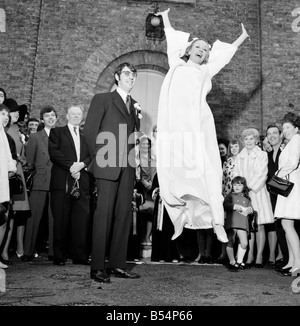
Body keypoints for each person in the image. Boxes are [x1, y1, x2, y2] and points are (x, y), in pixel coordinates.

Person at [155, 8, 249, 244]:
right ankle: (179, 218)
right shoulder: (175, 63)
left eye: (206, 49)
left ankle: (217, 222)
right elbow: (171, 37)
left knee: (208, 172)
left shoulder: (206, 70)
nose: (203, 50)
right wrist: (165, 17)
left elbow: (224, 56)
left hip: (199, 127)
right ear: (189, 50)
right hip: (178, 130)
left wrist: (241, 38)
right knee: (174, 175)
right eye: (199, 46)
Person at [83, 62, 141, 283]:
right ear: (117, 77)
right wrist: (101, 158)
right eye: (127, 73)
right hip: (107, 165)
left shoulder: (135, 105)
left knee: (123, 217)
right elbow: (90, 133)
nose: (131, 77)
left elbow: (133, 137)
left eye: (134, 74)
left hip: (127, 168)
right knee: (103, 216)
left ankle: (118, 264)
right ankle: (98, 267)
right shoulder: (102, 99)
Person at [48, 105, 91, 266]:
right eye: (72, 114)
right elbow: (54, 153)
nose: (75, 116)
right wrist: (72, 166)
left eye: (78, 114)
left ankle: (79, 255)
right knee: (60, 219)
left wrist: (81, 166)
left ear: (82, 117)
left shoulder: (86, 135)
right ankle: (59, 255)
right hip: (62, 181)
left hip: (82, 180)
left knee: (81, 220)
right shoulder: (57, 132)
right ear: (67, 116)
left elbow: (91, 155)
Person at [233, 128, 274, 268]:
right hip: (244, 195)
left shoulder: (262, 155)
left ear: (256, 140)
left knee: (260, 225)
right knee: (248, 226)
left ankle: (259, 256)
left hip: (258, 193)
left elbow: (262, 173)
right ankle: (249, 255)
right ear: (243, 141)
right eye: (246, 139)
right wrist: (242, 189)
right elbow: (236, 174)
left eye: (251, 138)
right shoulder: (239, 156)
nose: (249, 141)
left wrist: (249, 187)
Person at [22, 106, 57, 262]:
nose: (50, 118)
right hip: (40, 181)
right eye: (47, 116)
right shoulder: (35, 137)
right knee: (34, 217)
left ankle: (54, 253)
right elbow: (30, 161)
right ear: (42, 119)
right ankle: (28, 251)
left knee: (55, 218)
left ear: (56, 118)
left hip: (57, 182)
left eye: (53, 115)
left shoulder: (61, 136)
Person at [3, 98, 30, 261]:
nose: (17, 113)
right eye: (14, 111)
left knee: (14, 214)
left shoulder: (16, 129)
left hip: (16, 175)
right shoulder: (6, 129)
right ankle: (5, 250)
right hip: (7, 174)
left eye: (17, 111)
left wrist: (22, 159)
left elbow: (22, 155)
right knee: (8, 214)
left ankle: (7, 250)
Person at [274, 112, 300, 277]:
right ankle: (291, 262)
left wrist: (277, 175)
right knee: (286, 223)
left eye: (288, 127)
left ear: (296, 128)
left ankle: (298, 264)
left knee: (287, 224)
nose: (285, 130)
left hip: (292, 186)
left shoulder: (297, 139)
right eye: (283, 128)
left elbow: (293, 162)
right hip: (287, 185)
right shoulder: (290, 142)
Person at [264, 124, 287, 268]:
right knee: (278, 225)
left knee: (289, 226)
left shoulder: (285, 150)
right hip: (274, 194)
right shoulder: (268, 153)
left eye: (274, 133)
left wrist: (276, 188)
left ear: (280, 134)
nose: (272, 136)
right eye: (269, 134)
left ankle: (291, 259)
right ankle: (285, 258)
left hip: (285, 193)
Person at [0, 107, 17, 269]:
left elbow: (12, 159)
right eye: (2, 114)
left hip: (4, 184)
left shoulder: (7, 138)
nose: (5, 117)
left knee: (3, 220)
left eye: (7, 115)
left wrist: (12, 168)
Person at [224, 176, 253, 270]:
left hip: (242, 223)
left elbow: (250, 208)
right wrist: (234, 206)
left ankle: (240, 261)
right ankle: (232, 261)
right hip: (232, 222)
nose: (237, 187)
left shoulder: (247, 198)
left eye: (239, 185)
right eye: (235, 184)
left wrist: (250, 210)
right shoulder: (229, 196)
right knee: (230, 241)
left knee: (244, 243)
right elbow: (225, 205)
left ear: (244, 187)